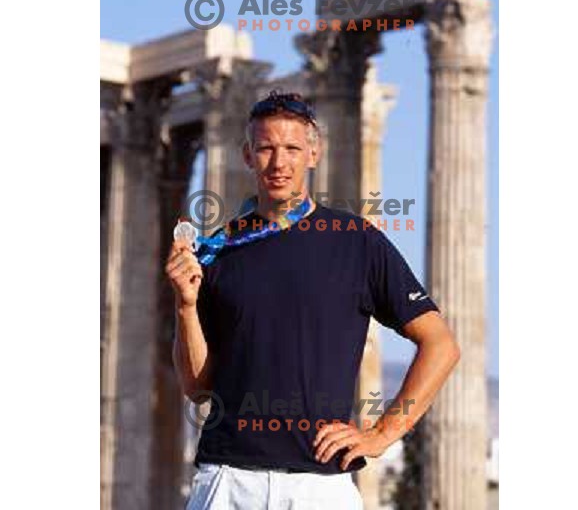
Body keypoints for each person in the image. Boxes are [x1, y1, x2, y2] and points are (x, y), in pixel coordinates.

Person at [165, 91, 460, 509]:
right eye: (266, 148)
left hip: (319, 487)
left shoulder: (357, 242)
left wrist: (382, 434)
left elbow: (441, 344)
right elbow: (198, 386)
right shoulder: (218, 249)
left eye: (291, 148)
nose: (279, 162)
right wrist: (186, 305)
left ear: (313, 154)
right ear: (248, 155)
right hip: (228, 481)